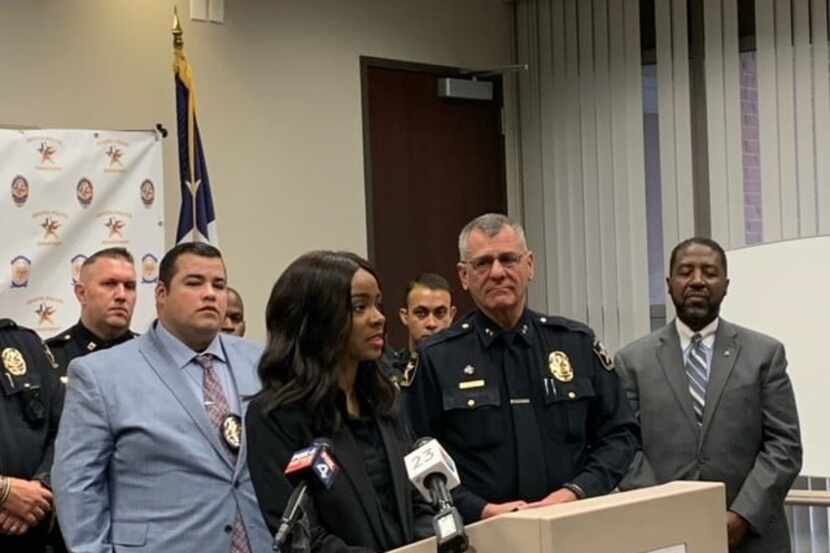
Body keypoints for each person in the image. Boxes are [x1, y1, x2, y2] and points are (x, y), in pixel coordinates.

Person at [404, 213, 639, 524]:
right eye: (483, 263)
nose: (498, 272)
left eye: (508, 259)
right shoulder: (437, 359)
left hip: (574, 525)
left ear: (530, 265)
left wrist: (577, 492)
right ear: (463, 275)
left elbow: (621, 434)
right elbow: (415, 456)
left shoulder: (575, 344)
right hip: (483, 534)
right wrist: (479, 509)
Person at [53, 242, 271, 553]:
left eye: (219, 285)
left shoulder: (260, 362)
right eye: (194, 283)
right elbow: (77, 485)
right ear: (161, 295)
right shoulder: (101, 374)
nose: (210, 294)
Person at [615, 237, 802, 553]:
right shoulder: (632, 361)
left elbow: (784, 446)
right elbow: (623, 446)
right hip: (664, 535)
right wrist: (666, 510)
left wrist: (743, 515)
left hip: (753, 536)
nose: (697, 281)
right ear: (670, 284)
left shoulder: (764, 354)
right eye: (686, 271)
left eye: (709, 272)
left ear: (726, 285)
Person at [246, 251, 433, 553]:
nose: (378, 318)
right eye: (360, 307)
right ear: (317, 319)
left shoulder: (385, 400)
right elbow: (303, 536)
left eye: (377, 304)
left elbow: (417, 500)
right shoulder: (274, 415)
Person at [0, 318, 63, 553]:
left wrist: (41, 489)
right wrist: (4, 492)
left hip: (31, 532)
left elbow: (65, 428)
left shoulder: (25, 343)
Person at [47, 247, 138, 378]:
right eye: (110, 284)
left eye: (130, 286)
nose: (122, 295)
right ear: (82, 293)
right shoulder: (50, 359)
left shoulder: (154, 356)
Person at [383, 273, 456, 386]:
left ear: (451, 315)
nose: (431, 324)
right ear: (405, 316)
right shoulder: (387, 375)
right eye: (421, 313)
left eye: (440, 313)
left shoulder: (466, 368)